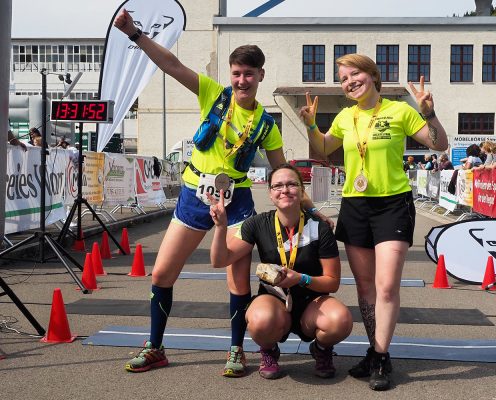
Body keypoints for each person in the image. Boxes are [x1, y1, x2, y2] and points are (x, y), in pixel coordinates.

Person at [114, 9, 330, 376]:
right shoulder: (215, 95)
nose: (242, 80)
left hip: (238, 203)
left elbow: (283, 173)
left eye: (249, 74)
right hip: (194, 195)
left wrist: (309, 209)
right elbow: (172, 65)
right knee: (161, 274)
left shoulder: (266, 124)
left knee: (235, 279)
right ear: (230, 75)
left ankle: (236, 350)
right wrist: (135, 33)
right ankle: (155, 346)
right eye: (237, 73)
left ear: (261, 75)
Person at [300, 54, 448, 391]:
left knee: (385, 287)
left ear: (372, 76)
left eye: (355, 74)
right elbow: (323, 149)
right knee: (365, 288)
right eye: (343, 78)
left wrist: (428, 111)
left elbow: (439, 145)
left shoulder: (400, 111)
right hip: (354, 204)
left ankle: (380, 356)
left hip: (392, 205)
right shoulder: (344, 116)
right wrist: (311, 125)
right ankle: (375, 350)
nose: (349, 81)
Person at [209, 164, 352, 380]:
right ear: (270, 193)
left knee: (340, 320)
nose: (284, 190)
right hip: (274, 300)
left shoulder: (319, 227)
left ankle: (321, 350)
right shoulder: (257, 224)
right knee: (259, 320)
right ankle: (269, 351)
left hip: (311, 303)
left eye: (291, 184)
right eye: (278, 186)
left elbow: (332, 282)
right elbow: (220, 260)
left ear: (302, 191)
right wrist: (220, 228)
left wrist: (301, 279)